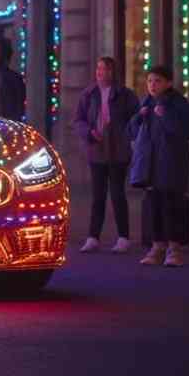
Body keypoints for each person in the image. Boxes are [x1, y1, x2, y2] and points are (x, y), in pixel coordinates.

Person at [127, 66, 189, 267]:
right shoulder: (146, 103)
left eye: (157, 81)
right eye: (149, 81)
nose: (152, 85)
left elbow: (188, 129)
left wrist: (165, 116)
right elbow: (130, 132)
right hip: (149, 165)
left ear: (168, 83)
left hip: (171, 163)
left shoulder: (178, 103)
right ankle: (157, 247)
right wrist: (138, 117)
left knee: (171, 206)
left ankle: (174, 249)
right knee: (154, 206)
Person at [73, 57, 140, 254]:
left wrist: (125, 135)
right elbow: (79, 120)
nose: (101, 72)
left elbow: (134, 120)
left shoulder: (125, 95)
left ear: (113, 72)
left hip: (118, 151)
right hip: (97, 151)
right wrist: (89, 132)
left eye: (106, 69)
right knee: (98, 195)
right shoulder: (89, 94)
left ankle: (123, 237)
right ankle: (93, 237)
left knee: (118, 194)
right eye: (99, 69)